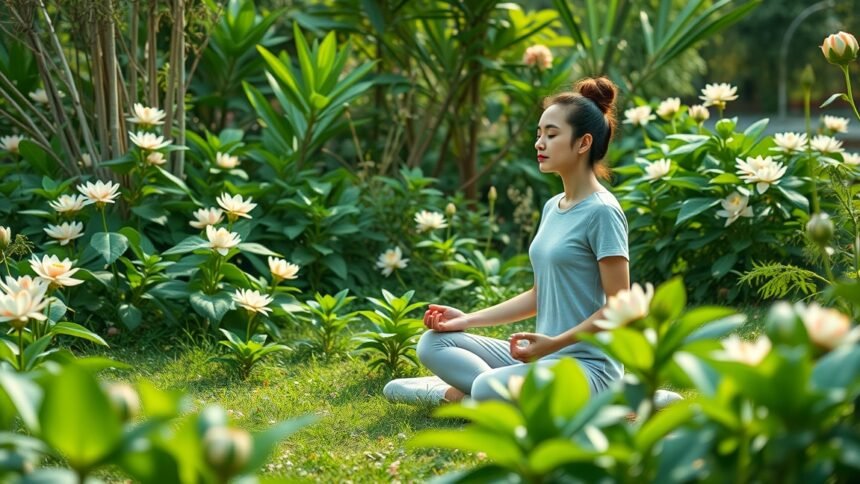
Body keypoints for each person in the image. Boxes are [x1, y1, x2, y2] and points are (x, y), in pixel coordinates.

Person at [383, 77, 681, 407]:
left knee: (484, 387)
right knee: (432, 344)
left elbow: (621, 309)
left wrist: (553, 344)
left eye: (551, 135)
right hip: (543, 357)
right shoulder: (553, 207)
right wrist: (466, 319)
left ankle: (464, 396)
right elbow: (539, 294)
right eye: (539, 134)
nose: (539, 143)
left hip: (587, 367)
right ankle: (492, 394)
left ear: (583, 143)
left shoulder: (603, 212)